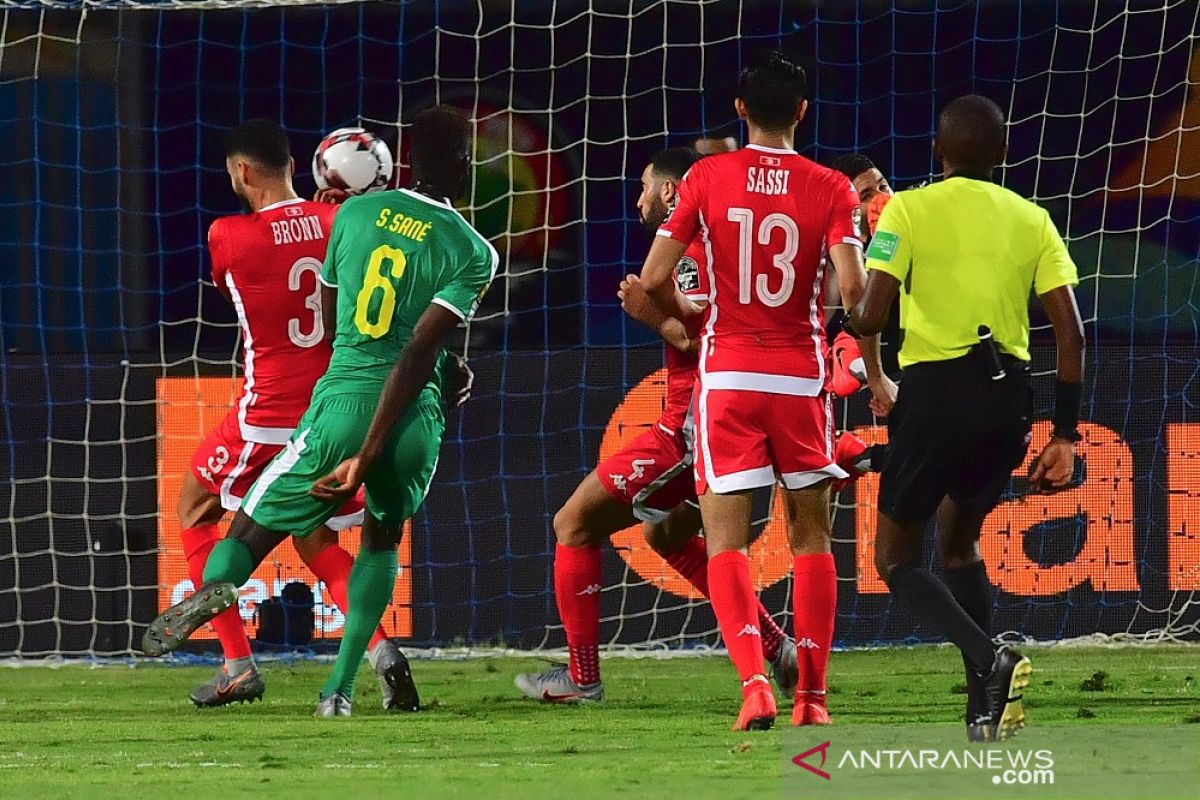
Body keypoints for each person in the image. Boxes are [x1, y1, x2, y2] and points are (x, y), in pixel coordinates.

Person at [143, 105, 498, 718]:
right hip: (416, 419)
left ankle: (232, 645)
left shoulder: (345, 217)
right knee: (375, 542)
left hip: (320, 407)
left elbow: (338, 328)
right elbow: (421, 349)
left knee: (224, 520)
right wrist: (446, 370)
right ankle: (347, 681)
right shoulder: (472, 249)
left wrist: (358, 441)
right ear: (466, 168)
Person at [515, 146, 858, 704]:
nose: (639, 199)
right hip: (756, 401)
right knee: (666, 532)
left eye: (646, 186)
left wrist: (649, 310)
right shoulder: (727, 238)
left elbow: (697, 340)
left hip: (695, 424)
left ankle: (582, 679)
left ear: (672, 192)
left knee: (573, 524)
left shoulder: (693, 247)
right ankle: (781, 651)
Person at [630, 50, 896, 730]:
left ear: (740, 111)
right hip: (799, 378)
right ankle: (813, 700)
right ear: (803, 112)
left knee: (725, 545)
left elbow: (657, 274)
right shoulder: (832, 187)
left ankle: (755, 685)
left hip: (727, 380)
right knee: (811, 542)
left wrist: (694, 311)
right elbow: (859, 292)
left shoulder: (705, 177)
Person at [847, 94, 1084, 742]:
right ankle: (984, 711)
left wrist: (845, 300)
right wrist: (1065, 435)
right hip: (1007, 401)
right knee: (960, 544)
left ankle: (991, 658)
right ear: (1003, 155)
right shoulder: (1032, 218)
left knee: (896, 558)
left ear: (937, 152)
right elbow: (1070, 334)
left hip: (934, 392)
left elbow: (869, 314)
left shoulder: (908, 208)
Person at [176, 119, 418, 709]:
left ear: (242, 171)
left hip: (268, 413)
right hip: (337, 408)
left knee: (195, 506)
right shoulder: (342, 222)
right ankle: (383, 652)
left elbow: (247, 279)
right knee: (311, 537)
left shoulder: (226, 234)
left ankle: (237, 664)